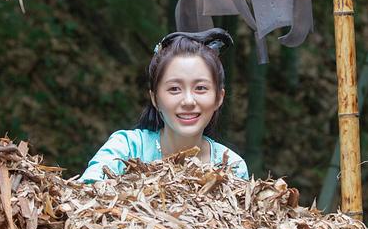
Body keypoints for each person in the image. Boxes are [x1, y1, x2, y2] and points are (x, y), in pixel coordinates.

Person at [80, 28, 249, 182]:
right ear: (155, 98)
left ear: (219, 97)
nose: (188, 101)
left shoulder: (231, 167)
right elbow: (86, 194)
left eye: (200, 88)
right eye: (174, 89)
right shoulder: (126, 149)